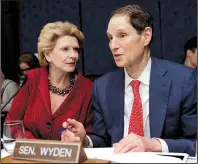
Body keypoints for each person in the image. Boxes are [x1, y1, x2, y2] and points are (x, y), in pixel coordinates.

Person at [61, 5, 197, 156]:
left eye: (122, 35)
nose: (113, 45)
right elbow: (103, 140)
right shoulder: (103, 86)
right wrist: (85, 140)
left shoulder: (183, 80)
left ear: (146, 36)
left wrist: (154, 144)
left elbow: (194, 143)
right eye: (110, 38)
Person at [5, 21, 93, 141]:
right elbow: (12, 124)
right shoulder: (31, 79)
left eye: (76, 49)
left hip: (68, 157)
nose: (74, 55)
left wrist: (82, 138)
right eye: (65, 49)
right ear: (47, 55)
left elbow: (92, 136)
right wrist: (39, 148)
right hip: (30, 156)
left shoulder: (87, 88)